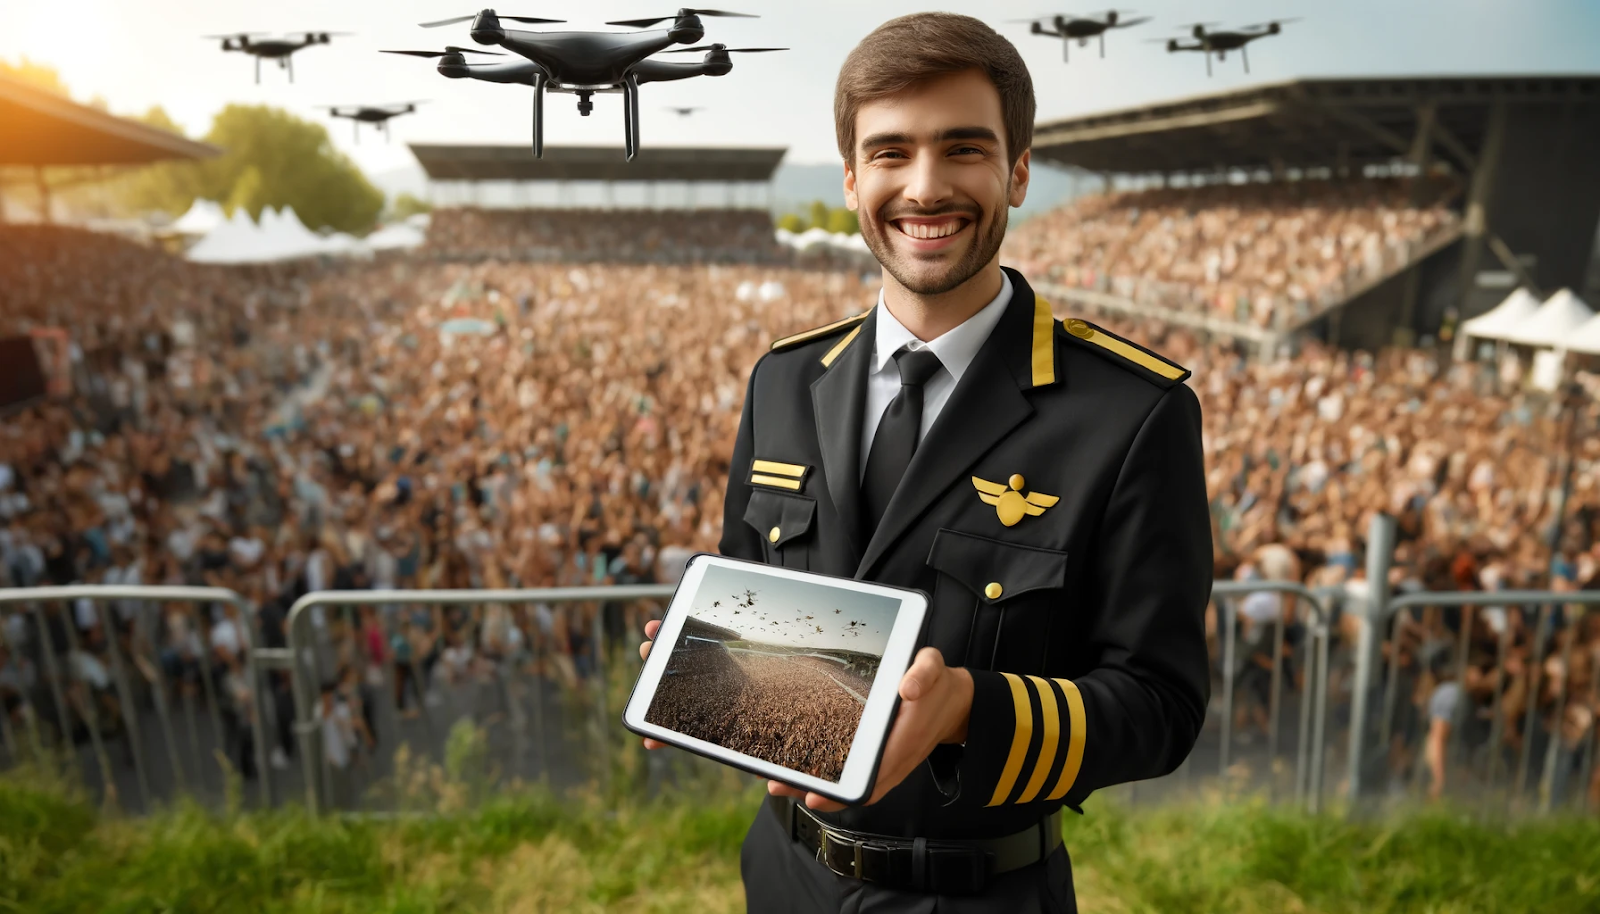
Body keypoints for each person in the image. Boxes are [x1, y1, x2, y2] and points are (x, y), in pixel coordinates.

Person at [638, 14, 1212, 912]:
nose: (926, 187)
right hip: (784, 875)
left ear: (1018, 171)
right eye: (891, 152)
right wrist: (710, 663)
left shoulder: (1132, 411)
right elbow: (759, 598)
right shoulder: (785, 381)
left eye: (964, 149)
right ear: (852, 178)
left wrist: (968, 711)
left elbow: (1161, 706)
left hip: (981, 894)